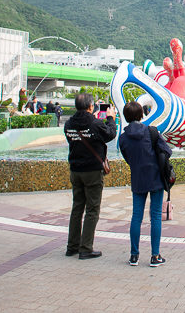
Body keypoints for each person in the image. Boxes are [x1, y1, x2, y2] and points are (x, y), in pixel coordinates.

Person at [118, 101, 172, 267]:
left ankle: (134, 256)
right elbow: (167, 151)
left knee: (136, 216)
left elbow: (128, 158)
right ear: (141, 115)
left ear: (126, 117)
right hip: (155, 178)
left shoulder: (123, 138)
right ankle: (155, 256)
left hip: (138, 178)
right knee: (155, 215)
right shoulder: (151, 132)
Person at [64, 93, 116, 259]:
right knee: (92, 209)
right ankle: (85, 247)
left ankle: (72, 246)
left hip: (75, 170)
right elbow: (110, 134)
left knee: (77, 208)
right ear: (91, 106)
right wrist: (110, 118)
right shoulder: (95, 123)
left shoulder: (68, 123)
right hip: (92, 171)